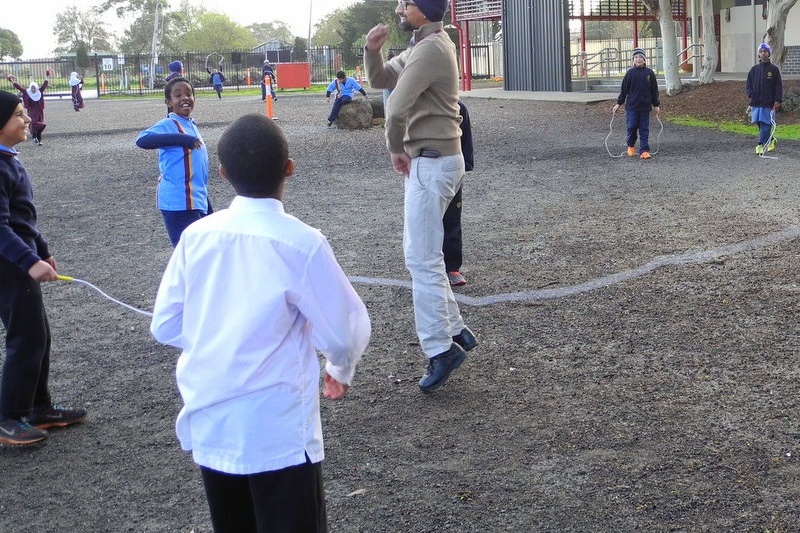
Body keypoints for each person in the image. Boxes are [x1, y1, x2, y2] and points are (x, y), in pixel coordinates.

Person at [150, 112, 370, 532]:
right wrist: (339, 369)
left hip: (213, 419)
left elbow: (165, 324)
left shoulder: (196, 237)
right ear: (290, 168)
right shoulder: (301, 243)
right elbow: (344, 330)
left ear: (222, 173)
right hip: (278, 428)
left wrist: (219, 332)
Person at [365, 0, 477, 392]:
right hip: (437, 158)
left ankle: (440, 348)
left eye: (406, 3)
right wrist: (372, 51)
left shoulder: (429, 48)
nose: (399, 7)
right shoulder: (423, 44)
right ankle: (456, 331)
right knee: (426, 255)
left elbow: (395, 107)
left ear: (423, 11)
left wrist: (394, 147)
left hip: (431, 160)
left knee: (421, 258)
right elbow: (382, 79)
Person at [0, 90, 87, 446]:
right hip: (8, 268)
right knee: (26, 338)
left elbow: (24, 220)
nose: (26, 120)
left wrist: (43, 251)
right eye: (19, 115)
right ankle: (8, 417)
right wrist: (29, 261)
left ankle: (38, 406)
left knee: (39, 334)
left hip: (20, 261)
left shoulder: (9, 159)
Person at [136, 77, 211, 247]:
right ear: (169, 102)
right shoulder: (169, 124)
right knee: (190, 253)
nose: (185, 98)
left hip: (196, 199)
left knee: (205, 250)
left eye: (189, 94)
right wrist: (180, 139)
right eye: (178, 95)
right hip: (179, 202)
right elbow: (142, 140)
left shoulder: (190, 124)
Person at [444, 100, 474, 287]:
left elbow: (465, 138)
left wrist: (465, 165)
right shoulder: (417, 103)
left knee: (452, 218)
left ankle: (452, 266)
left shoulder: (457, 106)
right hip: (424, 170)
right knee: (426, 221)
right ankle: (429, 267)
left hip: (452, 170)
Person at [612, 48, 660, 160]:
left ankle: (644, 150)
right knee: (632, 127)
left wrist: (656, 104)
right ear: (633, 60)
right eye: (636, 57)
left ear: (644, 60)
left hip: (645, 107)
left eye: (640, 57)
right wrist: (618, 104)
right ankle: (631, 146)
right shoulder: (630, 73)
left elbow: (654, 90)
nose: (638, 59)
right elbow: (624, 90)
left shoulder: (649, 73)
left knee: (644, 129)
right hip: (632, 107)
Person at [746, 42, 783, 155]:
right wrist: (751, 94)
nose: (763, 53)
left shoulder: (774, 70)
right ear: (758, 54)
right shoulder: (754, 70)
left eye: (765, 51)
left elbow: (778, 86)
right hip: (756, 102)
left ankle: (760, 144)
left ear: (769, 54)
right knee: (759, 122)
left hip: (769, 103)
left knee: (766, 124)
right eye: (761, 51)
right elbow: (748, 84)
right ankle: (771, 140)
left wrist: (777, 100)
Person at [7, 70, 50, 146]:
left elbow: (45, 84)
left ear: (36, 88)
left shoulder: (40, 91)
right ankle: (34, 137)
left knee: (41, 124)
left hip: (40, 111)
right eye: (32, 88)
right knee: (33, 123)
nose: (33, 90)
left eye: (34, 88)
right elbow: (19, 87)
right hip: (32, 111)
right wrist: (11, 80)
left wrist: (47, 75)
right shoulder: (27, 92)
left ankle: (38, 139)